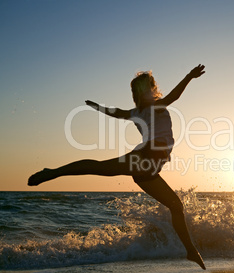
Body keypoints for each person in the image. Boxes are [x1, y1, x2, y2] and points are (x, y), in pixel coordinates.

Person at [28, 64, 206, 270]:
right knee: (99, 167)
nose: (146, 91)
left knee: (175, 206)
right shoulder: (152, 107)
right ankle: (53, 172)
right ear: (139, 93)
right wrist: (189, 77)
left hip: (148, 170)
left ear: (152, 89)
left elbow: (117, 113)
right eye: (142, 89)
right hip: (145, 158)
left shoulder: (137, 111)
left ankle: (190, 251)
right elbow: (173, 96)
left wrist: (99, 108)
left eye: (148, 87)